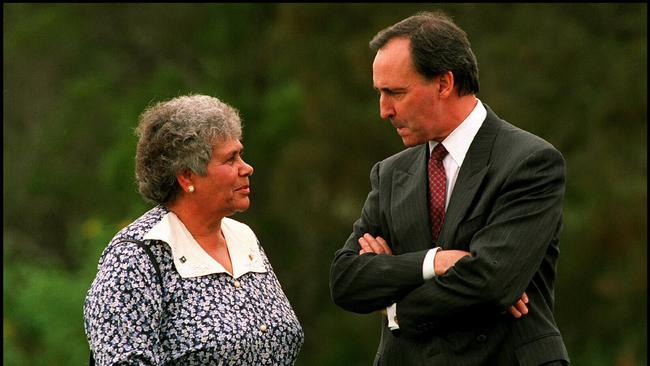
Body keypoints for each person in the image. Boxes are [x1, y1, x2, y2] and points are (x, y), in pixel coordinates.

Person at [329, 11, 569, 365]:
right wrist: (434, 262)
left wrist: (394, 303)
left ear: (444, 83)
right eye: (380, 93)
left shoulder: (530, 162)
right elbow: (346, 281)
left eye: (395, 92)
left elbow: (490, 284)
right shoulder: (389, 173)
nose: (384, 110)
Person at [84, 94, 304, 365]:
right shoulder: (136, 256)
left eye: (241, 155)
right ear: (187, 176)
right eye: (230, 159)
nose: (246, 168)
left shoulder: (243, 238)